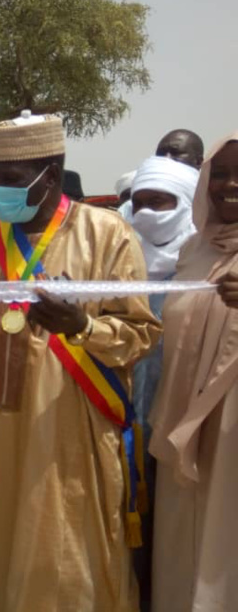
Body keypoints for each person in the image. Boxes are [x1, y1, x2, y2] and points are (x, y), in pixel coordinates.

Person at [0, 112, 159, 611]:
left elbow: (140, 334)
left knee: (65, 555)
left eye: (12, 181)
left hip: (69, 428)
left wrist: (83, 327)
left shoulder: (106, 235)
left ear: (50, 176)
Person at [149, 132, 238, 611]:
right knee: (182, 550)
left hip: (233, 433)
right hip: (185, 421)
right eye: (220, 173)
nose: (229, 185)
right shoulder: (192, 253)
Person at [125, 155, 199, 609]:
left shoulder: (204, 263)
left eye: (162, 202)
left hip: (184, 416)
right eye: (140, 203)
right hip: (122, 413)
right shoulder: (117, 255)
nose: (149, 213)